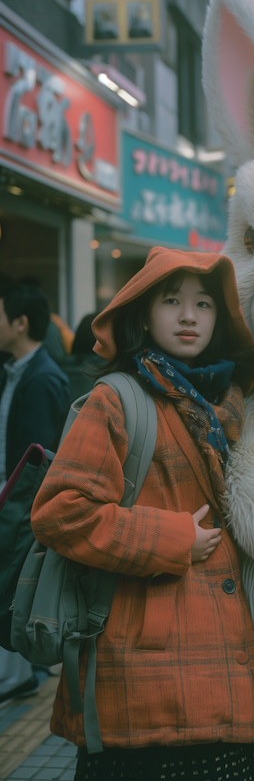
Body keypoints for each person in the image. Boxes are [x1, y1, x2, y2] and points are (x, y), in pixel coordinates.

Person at [30, 247, 254, 781]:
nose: (189, 316)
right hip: (145, 682)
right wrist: (171, 538)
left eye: (204, 303)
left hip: (227, 674)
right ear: (144, 313)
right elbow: (59, 511)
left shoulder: (230, 405)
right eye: (172, 301)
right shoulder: (116, 400)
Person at [0, 282, 70, 704]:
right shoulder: (17, 369)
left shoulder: (43, 378)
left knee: (13, 581)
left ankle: (19, 674)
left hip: (22, 500)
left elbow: (41, 459)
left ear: (20, 323)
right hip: (12, 494)